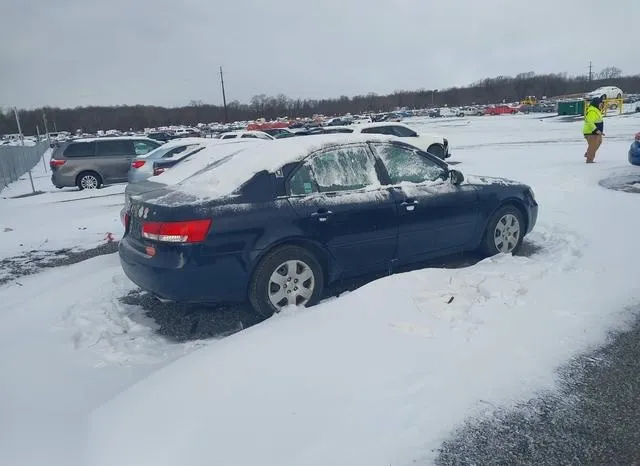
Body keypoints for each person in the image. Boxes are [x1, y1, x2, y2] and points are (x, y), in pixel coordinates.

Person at [582, 97, 605, 163]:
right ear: (596, 104)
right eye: (600, 104)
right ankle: (589, 160)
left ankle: (588, 153)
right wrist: (596, 130)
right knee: (593, 145)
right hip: (591, 132)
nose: (602, 106)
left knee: (599, 142)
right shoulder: (592, 111)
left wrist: (600, 131)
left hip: (596, 132)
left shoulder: (596, 110)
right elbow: (590, 122)